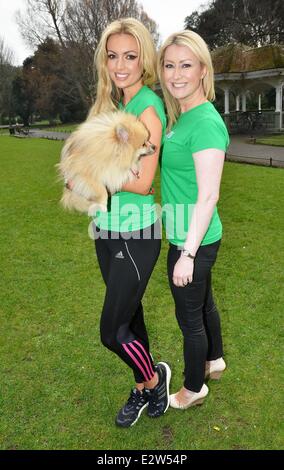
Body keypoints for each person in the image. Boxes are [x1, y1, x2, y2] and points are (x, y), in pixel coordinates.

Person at [88, 18, 170, 427]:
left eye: (131, 56)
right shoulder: (117, 106)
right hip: (105, 230)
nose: (121, 65)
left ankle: (153, 381)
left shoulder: (148, 110)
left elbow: (141, 181)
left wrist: (94, 174)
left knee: (111, 331)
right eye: (113, 55)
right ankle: (142, 388)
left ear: (144, 60)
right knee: (131, 319)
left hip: (136, 234)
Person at [157, 30, 229, 409]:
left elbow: (209, 195)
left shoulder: (203, 122)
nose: (176, 74)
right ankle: (214, 360)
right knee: (204, 304)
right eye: (169, 65)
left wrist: (186, 253)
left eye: (186, 65)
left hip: (192, 239)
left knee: (190, 319)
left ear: (203, 69)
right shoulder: (181, 116)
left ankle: (192, 388)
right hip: (196, 233)